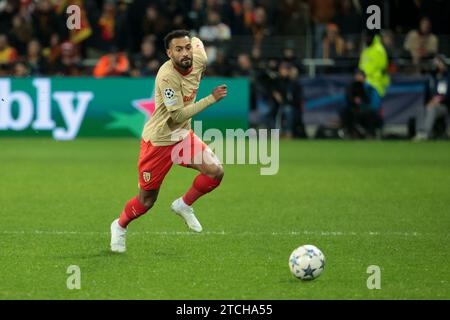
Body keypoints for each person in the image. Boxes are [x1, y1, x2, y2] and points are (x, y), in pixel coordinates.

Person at [110, 30, 227, 253]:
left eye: (187, 48)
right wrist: (211, 98)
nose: (185, 53)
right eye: (178, 49)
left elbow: (198, 42)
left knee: (215, 171)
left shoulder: (199, 56)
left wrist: (198, 62)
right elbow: (177, 116)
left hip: (182, 136)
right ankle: (119, 226)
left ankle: (183, 204)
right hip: (159, 141)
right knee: (146, 201)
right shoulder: (167, 76)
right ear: (169, 53)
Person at [414, 55, 449, 140]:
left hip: (444, 106)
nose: (437, 65)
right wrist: (429, 103)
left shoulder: (447, 77)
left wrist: (436, 101)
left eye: (439, 63)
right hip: (432, 104)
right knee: (420, 108)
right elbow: (427, 96)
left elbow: (444, 95)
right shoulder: (432, 78)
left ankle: (426, 133)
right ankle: (420, 132)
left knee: (431, 109)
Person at [339, 69, 383, 139]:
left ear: (364, 77)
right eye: (356, 76)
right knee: (345, 111)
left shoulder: (370, 89)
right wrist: (353, 102)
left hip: (368, 113)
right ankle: (352, 133)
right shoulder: (351, 88)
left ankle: (370, 134)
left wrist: (362, 105)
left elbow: (375, 106)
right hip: (356, 113)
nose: (358, 77)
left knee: (369, 113)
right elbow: (345, 103)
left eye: (360, 76)